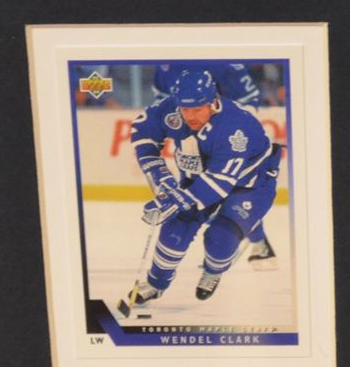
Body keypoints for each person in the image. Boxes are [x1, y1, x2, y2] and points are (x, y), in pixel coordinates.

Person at [117, 69, 281, 316]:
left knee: (219, 239)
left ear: (212, 101)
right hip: (197, 179)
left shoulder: (236, 128)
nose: (190, 116)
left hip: (250, 185)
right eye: (185, 109)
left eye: (197, 109)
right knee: (174, 230)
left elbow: (219, 183)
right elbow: (142, 130)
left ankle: (213, 271)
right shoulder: (172, 109)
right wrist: (160, 176)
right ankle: (155, 284)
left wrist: (174, 201)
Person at [152, 61, 276, 268]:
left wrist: (228, 132)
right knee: (198, 195)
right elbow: (161, 99)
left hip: (227, 141)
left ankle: (255, 243)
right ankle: (259, 243)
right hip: (189, 138)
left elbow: (249, 99)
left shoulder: (224, 64)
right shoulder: (166, 64)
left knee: (226, 195)